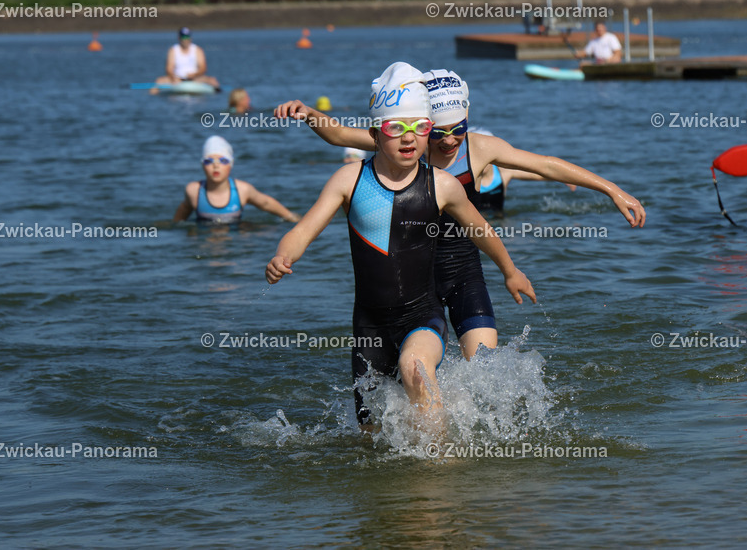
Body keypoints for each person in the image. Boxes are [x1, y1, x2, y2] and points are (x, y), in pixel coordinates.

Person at [273, 68, 645, 360]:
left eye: (458, 130)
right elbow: (338, 134)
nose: (449, 141)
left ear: (468, 117)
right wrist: (307, 113)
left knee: (482, 365)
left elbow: (546, 165)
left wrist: (612, 189)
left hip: (464, 270)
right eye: (438, 132)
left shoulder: (480, 148)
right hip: (417, 278)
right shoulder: (406, 143)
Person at [265, 63, 535, 431]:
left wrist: (510, 270)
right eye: (396, 128)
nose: (409, 138)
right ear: (375, 132)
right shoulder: (349, 179)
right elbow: (304, 229)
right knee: (370, 435)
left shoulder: (442, 185)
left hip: (422, 317)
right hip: (369, 327)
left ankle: (442, 473)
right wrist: (284, 255)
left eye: (419, 128)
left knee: (415, 370)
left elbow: (482, 230)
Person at [174, 135, 301, 224]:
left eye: (223, 161)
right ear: (202, 165)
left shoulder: (242, 190)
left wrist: (290, 216)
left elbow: (265, 203)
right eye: (209, 161)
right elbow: (184, 210)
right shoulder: (194, 191)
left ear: (231, 164)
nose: (216, 165)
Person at [152, 27, 220, 93]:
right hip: (177, 78)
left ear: (190, 38)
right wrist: (173, 77)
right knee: (158, 81)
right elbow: (169, 68)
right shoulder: (173, 50)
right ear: (179, 38)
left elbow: (203, 68)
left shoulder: (197, 50)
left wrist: (195, 75)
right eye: (183, 37)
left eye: (187, 37)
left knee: (213, 81)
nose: (185, 40)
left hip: (195, 78)